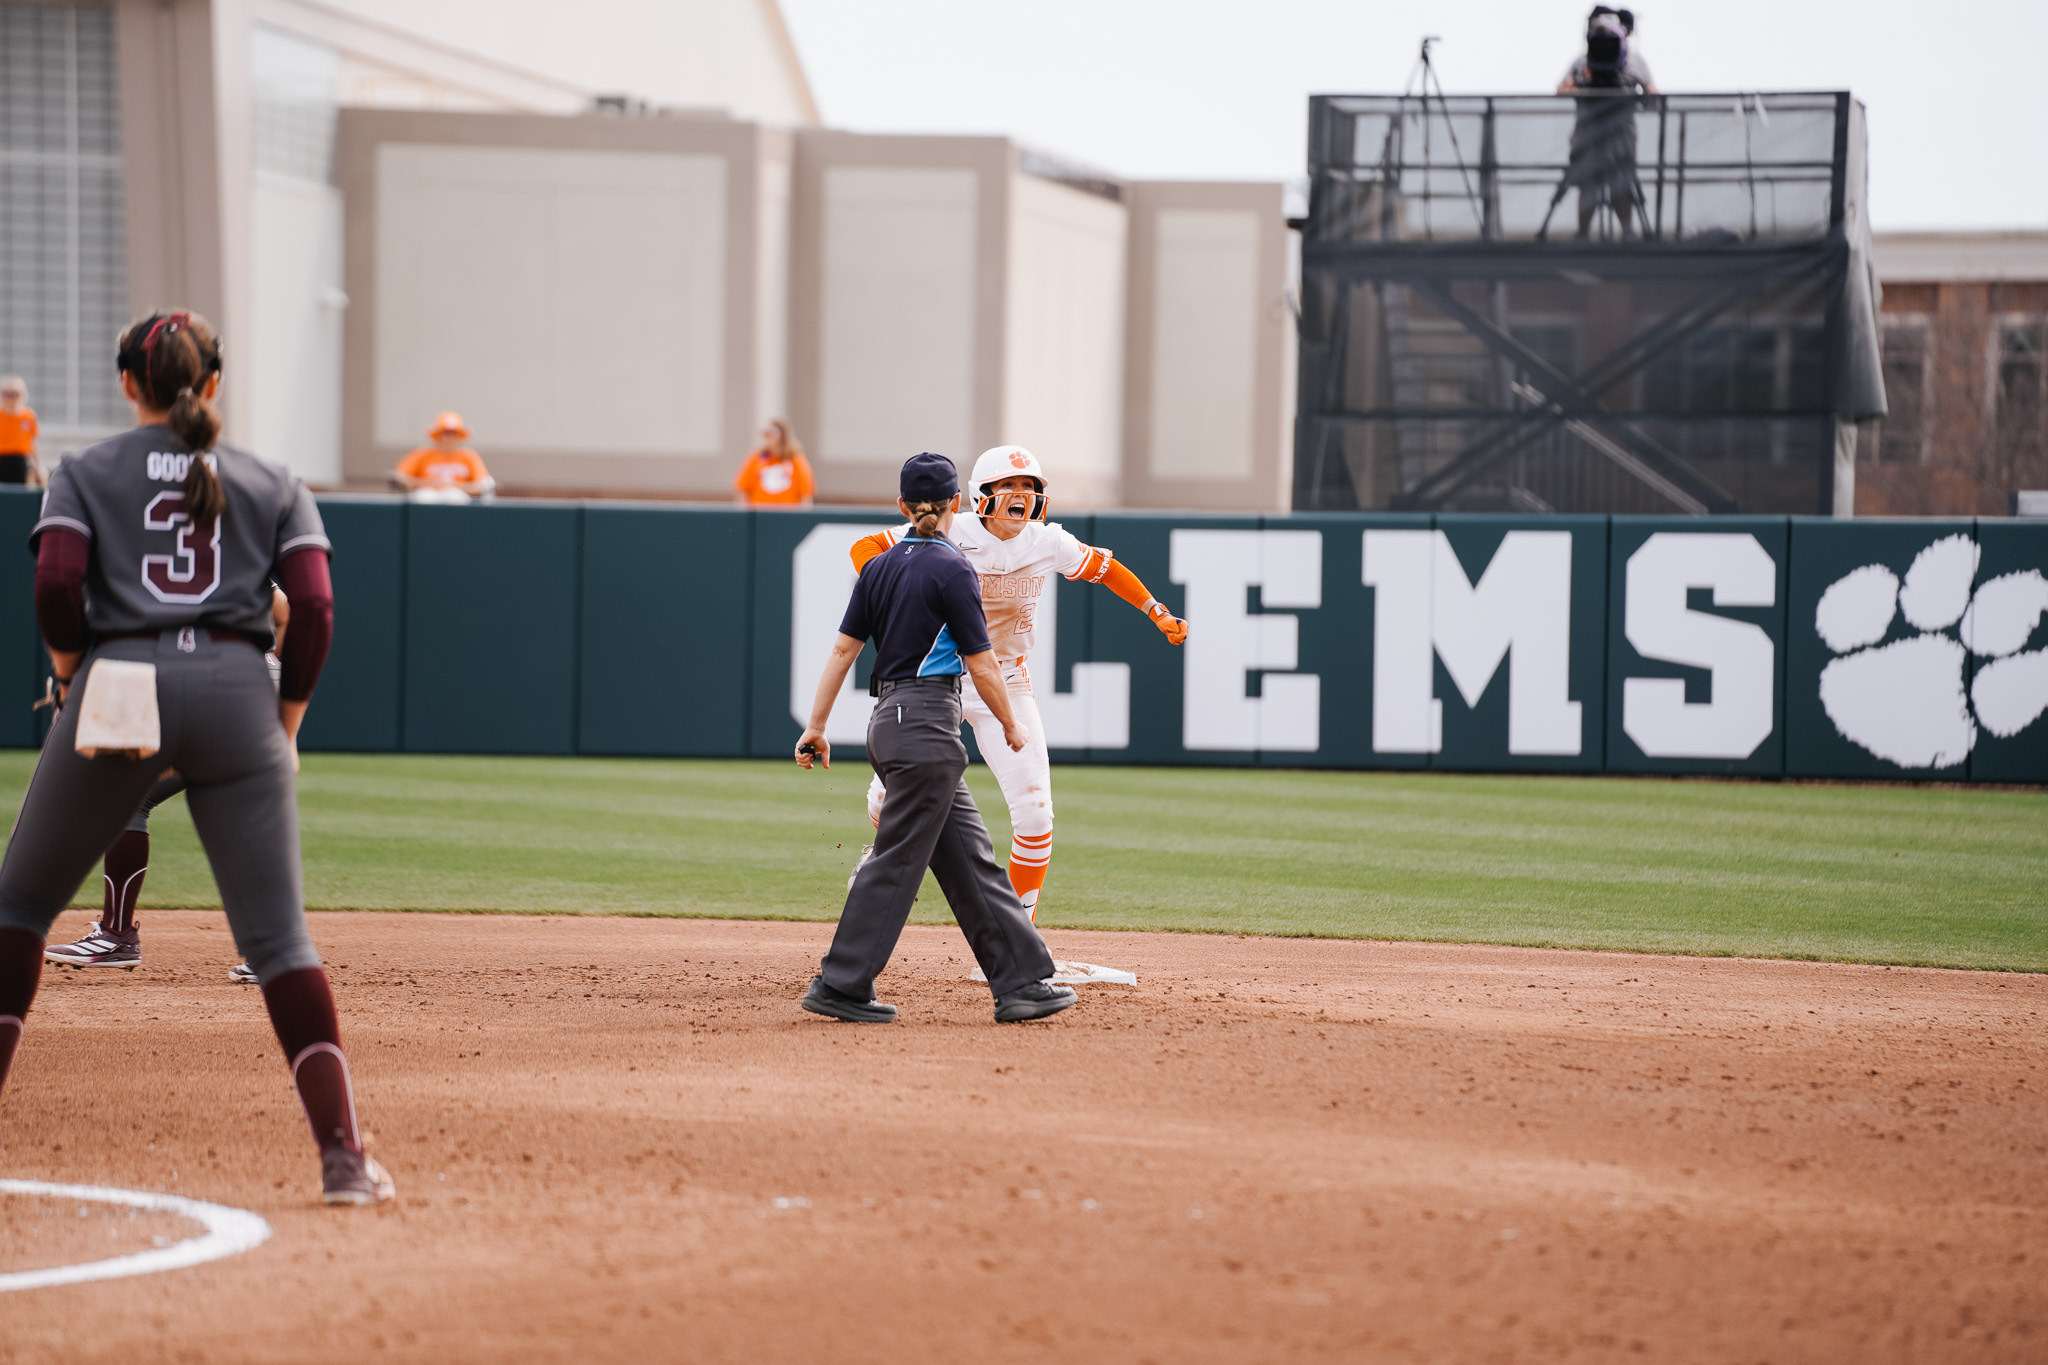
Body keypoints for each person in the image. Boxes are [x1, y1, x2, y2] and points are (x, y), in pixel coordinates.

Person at [0, 309, 393, 1206]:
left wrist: (71, 672)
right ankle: (342, 1158)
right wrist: (285, 718)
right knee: (279, 940)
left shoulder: (83, 470)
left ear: (126, 383)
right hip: (235, 689)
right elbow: (315, 608)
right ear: (213, 384)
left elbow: (57, 581)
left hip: (119, 680)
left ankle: (114, 934)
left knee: (19, 909)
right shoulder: (274, 479)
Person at [847, 447, 1188, 938]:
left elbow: (1106, 569)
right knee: (885, 802)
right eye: (1010, 485)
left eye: (1030, 486)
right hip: (938, 677)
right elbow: (866, 548)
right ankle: (883, 853)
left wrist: (1155, 610)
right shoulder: (951, 530)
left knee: (1035, 815)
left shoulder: (1047, 540)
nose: (1022, 495)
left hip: (1005, 680)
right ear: (981, 494)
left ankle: (1015, 939)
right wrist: (890, 583)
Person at [793, 452, 1076, 1025]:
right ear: (958, 504)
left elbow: (842, 652)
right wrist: (1011, 723)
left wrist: (817, 726)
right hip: (925, 723)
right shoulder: (954, 567)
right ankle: (841, 984)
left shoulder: (879, 567)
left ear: (902, 505)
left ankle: (1021, 982)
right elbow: (982, 662)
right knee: (898, 861)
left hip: (892, 722)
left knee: (971, 860)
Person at [42, 588, 291, 983]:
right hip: (239, 694)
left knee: (129, 800)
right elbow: (284, 608)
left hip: (226, 695)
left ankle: (117, 935)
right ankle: (274, 951)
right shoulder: (232, 561)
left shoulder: (184, 561)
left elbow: (282, 609)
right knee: (235, 814)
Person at [1549, 7, 1658, 240]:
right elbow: (1561, 90)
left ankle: (1627, 232)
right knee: (1588, 183)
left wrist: (1637, 90)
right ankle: (1583, 234)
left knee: (1621, 181)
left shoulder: (1633, 62)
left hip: (1620, 135)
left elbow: (1654, 95)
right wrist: (1582, 86)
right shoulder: (1582, 62)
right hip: (1589, 134)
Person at [394, 410, 493, 503]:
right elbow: (400, 476)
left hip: (457, 500)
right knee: (425, 496)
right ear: (438, 435)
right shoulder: (421, 453)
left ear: (459, 436)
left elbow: (483, 484)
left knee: (453, 496)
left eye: (453, 434)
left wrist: (456, 486)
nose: (449, 438)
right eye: (445, 433)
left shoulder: (469, 456)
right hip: (427, 496)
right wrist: (425, 483)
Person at [732, 419, 815, 507]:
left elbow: (806, 493)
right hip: (759, 512)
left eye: (772, 433)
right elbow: (742, 490)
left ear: (783, 435)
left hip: (788, 512)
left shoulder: (796, 460)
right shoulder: (756, 458)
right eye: (765, 434)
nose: (768, 437)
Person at [0, 375, 41, 486]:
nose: (11, 398)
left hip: (22, 461)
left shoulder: (29, 416)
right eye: (7, 394)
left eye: (14, 394)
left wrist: (39, 465)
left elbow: (34, 442)